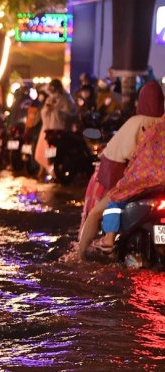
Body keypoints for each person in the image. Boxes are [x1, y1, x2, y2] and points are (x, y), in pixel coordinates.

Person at [78, 81, 165, 257]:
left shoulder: (136, 124)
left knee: (97, 212)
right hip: (161, 185)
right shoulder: (162, 122)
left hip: (138, 181)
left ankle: (82, 255)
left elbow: (117, 157)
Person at [34, 78, 76, 179]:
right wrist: (48, 109)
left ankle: (57, 173)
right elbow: (43, 112)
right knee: (45, 151)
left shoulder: (66, 99)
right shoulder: (49, 99)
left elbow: (69, 114)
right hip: (49, 129)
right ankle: (44, 171)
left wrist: (57, 110)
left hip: (61, 130)